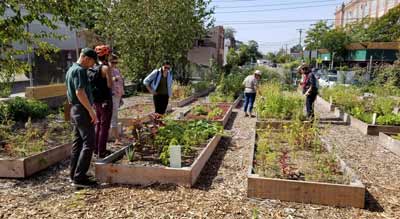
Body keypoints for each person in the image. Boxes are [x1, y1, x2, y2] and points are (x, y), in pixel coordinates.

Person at [65, 48, 98, 187]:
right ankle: (80, 177)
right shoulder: (80, 71)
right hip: (82, 110)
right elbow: (80, 92)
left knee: (78, 143)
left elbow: (69, 92)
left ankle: (74, 174)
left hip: (75, 109)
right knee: (89, 143)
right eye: (91, 62)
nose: (92, 65)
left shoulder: (71, 69)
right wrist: (91, 111)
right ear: (85, 58)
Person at [92, 45, 113, 158]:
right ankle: (102, 151)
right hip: (105, 100)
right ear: (106, 55)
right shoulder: (106, 68)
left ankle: (96, 149)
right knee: (105, 126)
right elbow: (110, 84)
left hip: (96, 101)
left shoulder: (93, 67)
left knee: (98, 125)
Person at [109, 54, 124, 144]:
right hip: (112, 96)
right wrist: (114, 79)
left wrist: (121, 97)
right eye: (113, 62)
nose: (115, 64)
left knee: (115, 116)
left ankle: (116, 137)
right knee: (113, 117)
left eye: (116, 62)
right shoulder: (106, 70)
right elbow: (108, 82)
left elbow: (121, 83)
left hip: (117, 96)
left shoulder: (116, 70)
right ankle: (117, 138)